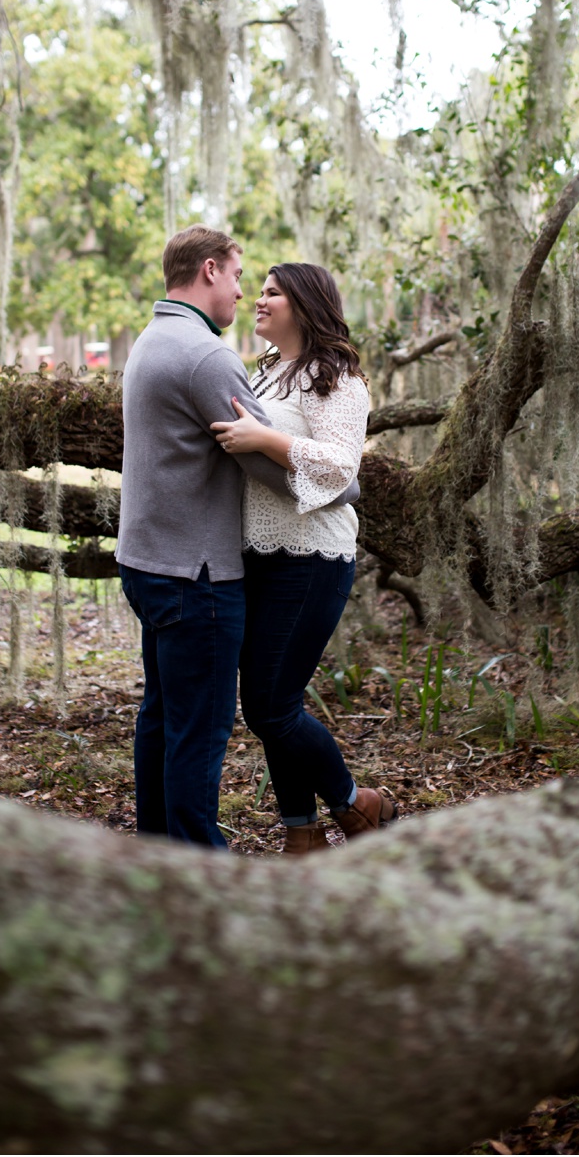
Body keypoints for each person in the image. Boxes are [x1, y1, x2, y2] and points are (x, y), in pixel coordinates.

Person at [115, 226, 359, 850]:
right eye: (241, 276)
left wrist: (328, 476)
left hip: (192, 562)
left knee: (180, 716)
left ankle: (171, 850)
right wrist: (346, 488)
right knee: (199, 726)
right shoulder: (212, 357)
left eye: (268, 288)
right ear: (208, 271)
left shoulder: (153, 340)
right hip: (197, 572)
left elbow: (309, 454)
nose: (246, 292)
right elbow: (255, 465)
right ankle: (201, 869)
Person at [210, 262, 395, 855]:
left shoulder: (336, 377)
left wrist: (266, 440)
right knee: (272, 702)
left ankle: (352, 802)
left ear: (305, 304)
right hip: (257, 555)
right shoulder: (267, 377)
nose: (257, 301)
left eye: (271, 293)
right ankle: (301, 832)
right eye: (258, 291)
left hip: (312, 556)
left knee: (269, 705)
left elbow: (342, 465)